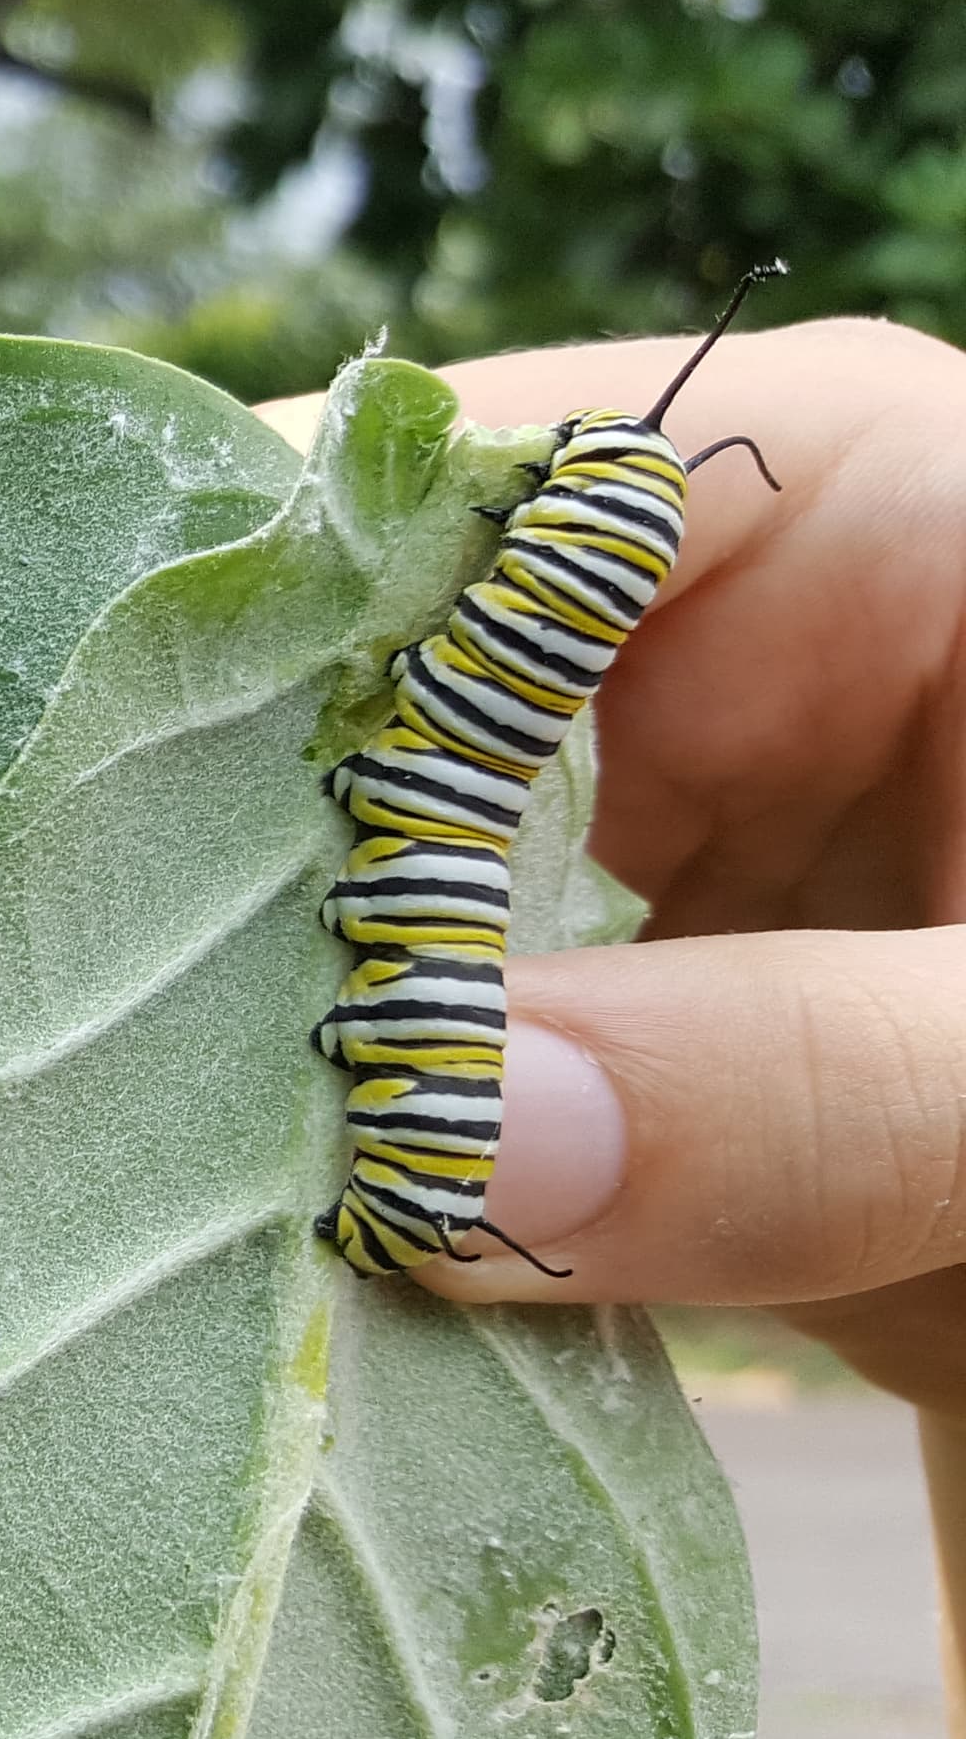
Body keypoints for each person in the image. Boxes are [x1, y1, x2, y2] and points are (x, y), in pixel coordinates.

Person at [269, 319, 966, 1410]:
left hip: (436, 833)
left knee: (454, 812)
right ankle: (417, 1183)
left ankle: (416, 1184)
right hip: (436, 832)